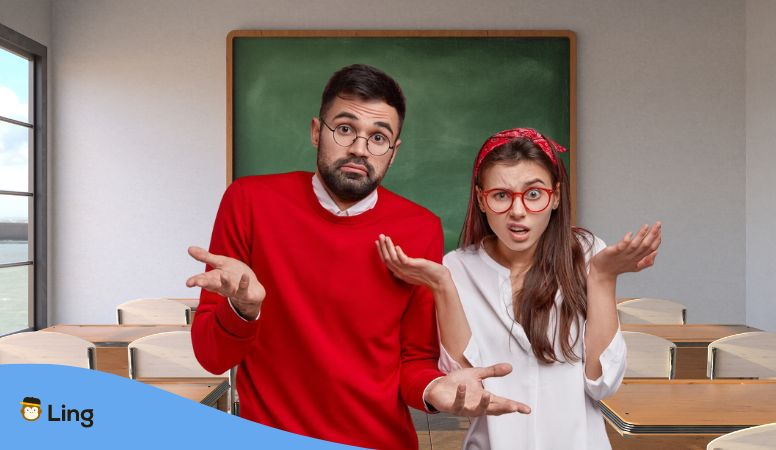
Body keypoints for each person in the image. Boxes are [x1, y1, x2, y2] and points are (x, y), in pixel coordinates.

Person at [185, 65, 530, 450]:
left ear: (393, 151)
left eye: (378, 137)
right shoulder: (249, 202)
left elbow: (414, 359)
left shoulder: (420, 228)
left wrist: (435, 388)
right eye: (345, 129)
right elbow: (212, 358)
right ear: (318, 131)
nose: (360, 149)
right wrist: (242, 310)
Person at [377, 128, 662, 449]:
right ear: (481, 200)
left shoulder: (587, 252)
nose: (518, 211)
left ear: (555, 196)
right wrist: (442, 285)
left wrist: (603, 277)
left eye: (534, 194)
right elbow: (468, 386)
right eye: (501, 195)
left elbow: (603, 384)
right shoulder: (457, 267)